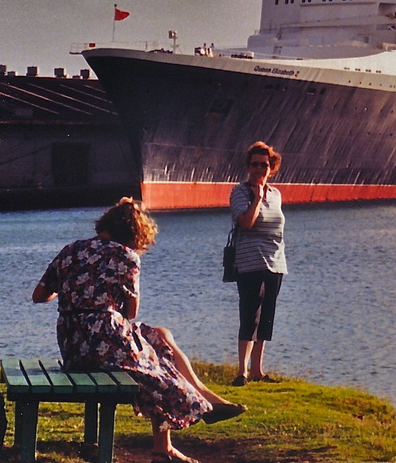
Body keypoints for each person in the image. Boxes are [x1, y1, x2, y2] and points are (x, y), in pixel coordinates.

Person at [33, 198, 245, 463]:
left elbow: (39, 295)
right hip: (104, 340)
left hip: (72, 343)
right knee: (158, 364)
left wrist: (69, 291)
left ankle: (168, 443)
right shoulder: (126, 256)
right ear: (135, 232)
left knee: (159, 335)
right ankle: (196, 408)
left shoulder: (71, 249)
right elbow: (131, 313)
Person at [230, 141, 287, 386]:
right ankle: (241, 371)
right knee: (249, 316)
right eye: (255, 164)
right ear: (248, 166)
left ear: (271, 167)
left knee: (266, 317)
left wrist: (266, 194)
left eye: (264, 165)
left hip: (276, 263)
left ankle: (257, 371)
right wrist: (257, 197)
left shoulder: (276, 194)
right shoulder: (240, 192)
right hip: (250, 263)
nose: (259, 169)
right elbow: (246, 223)